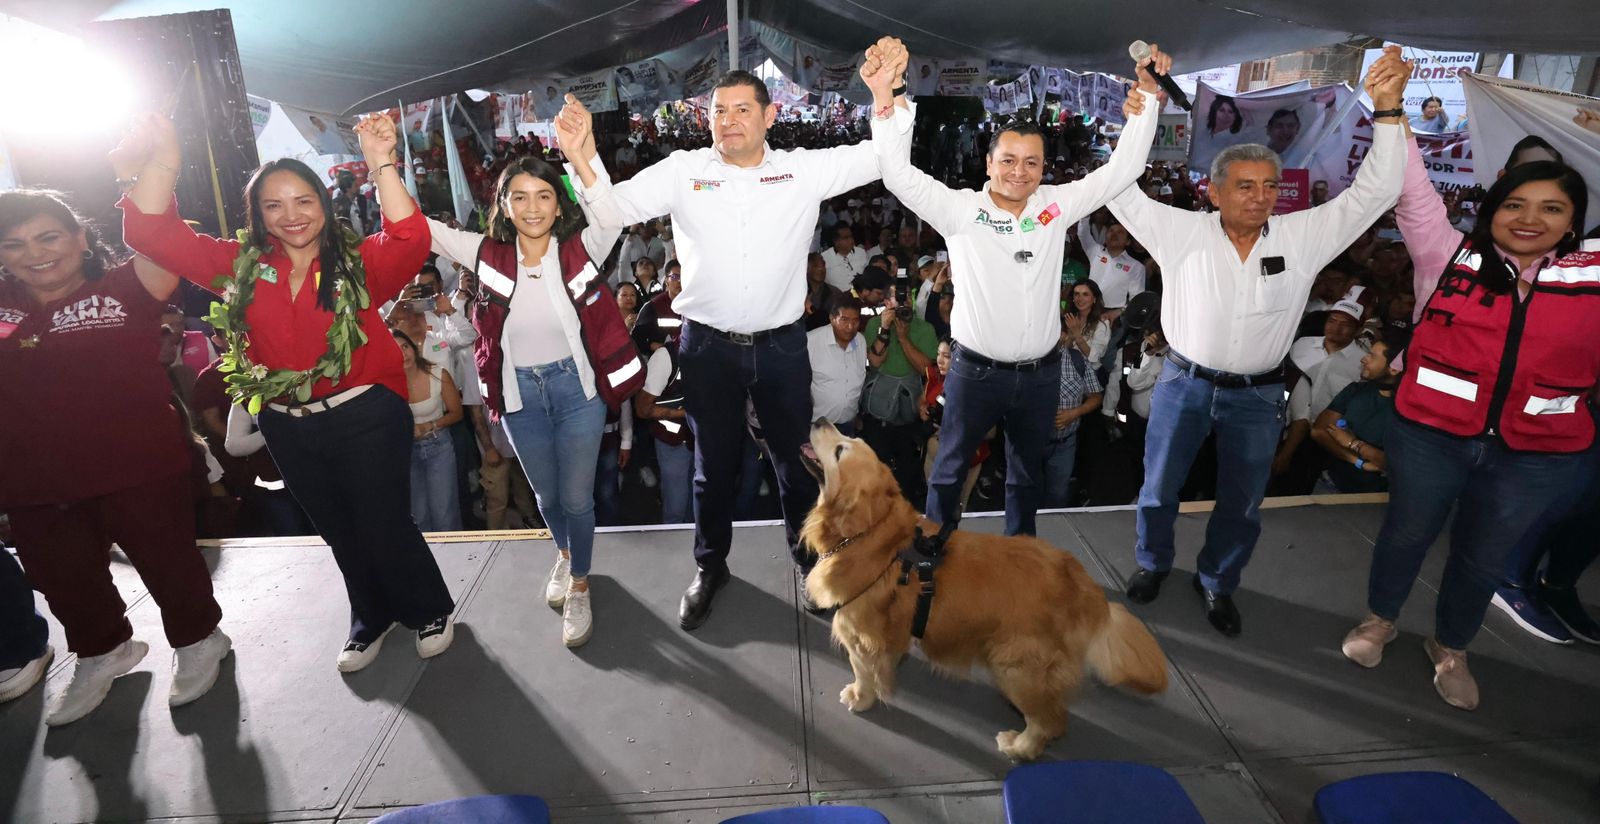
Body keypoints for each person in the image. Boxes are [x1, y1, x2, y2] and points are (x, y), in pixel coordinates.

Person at [117, 110, 455, 673]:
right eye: (273, 205)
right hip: (286, 422)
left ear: (323, 204)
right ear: (257, 214)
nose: (290, 216)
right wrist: (166, 162)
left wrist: (380, 163)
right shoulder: (238, 268)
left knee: (383, 520)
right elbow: (150, 233)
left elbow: (410, 237)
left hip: (367, 413)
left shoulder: (358, 265)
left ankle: (427, 607)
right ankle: (369, 617)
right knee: (337, 527)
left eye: (303, 201)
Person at [1109, 47, 1409, 638]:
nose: (1260, 196)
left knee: (1243, 501)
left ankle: (1218, 582)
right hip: (1182, 384)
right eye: (1244, 185)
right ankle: (1152, 563)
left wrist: (1391, 112)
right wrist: (1141, 112)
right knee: (1159, 487)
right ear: (1214, 192)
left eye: (1269, 186)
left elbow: (1373, 194)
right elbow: (1118, 193)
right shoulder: (1180, 231)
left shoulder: (1302, 237)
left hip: (1257, 398)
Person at [597, 69, 887, 631]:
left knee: (796, 464)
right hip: (707, 348)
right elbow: (611, 207)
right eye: (718, 111)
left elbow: (880, 158)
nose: (727, 121)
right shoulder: (686, 172)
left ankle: (811, 564)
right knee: (713, 467)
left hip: (781, 349)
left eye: (741, 110)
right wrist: (583, 154)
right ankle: (710, 569)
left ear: (769, 116)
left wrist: (884, 98)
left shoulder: (801, 171)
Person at [1340, 116, 1595, 710]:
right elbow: (1412, 184)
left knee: (1482, 558)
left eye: (1552, 208)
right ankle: (1381, 620)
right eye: (1516, 204)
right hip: (1430, 436)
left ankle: (1451, 647)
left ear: (1574, 221)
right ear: (1493, 208)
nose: (1530, 219)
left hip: (1534, 455)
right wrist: (1390, 112)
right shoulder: (1446, 254)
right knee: (1406, 535)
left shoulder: (1594, 277)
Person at [865, 36, 1163, 536]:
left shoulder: (1056, 205)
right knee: (950, 466)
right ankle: (936, 547)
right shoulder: (961, 210)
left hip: (1041, 375)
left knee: (1026, 473)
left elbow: (1124, 169)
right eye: (1008, 160)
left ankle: (1020, 550)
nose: (1018, 172)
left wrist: (1149, 99)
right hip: (974, 374)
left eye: (1030, 163)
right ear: (988, 163)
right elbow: (896, 174)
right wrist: (885, 100)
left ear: (1043, 168)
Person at [0, 188, 229, 724]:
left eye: (48, 236)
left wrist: (153, 173)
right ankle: (104, 652)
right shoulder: (5, 304)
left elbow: (162, 240)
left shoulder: (125, 285)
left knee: (169, 564)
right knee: (63, 578)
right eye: (13, 245)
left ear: (80, 237)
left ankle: (199, 640)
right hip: (34, 478)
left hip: (138, 465)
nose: (35, 253)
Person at [423, 94, 624, 648]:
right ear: (504, 206)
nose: (533, 206)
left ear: (559, 206)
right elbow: (420, 228)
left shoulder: (581, 249)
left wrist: (579, 153)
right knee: (547, 499)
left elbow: (610, 211)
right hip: (517, 397)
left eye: (543, 196)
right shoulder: (487, 255)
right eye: (520, 197)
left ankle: (579, 582)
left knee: (577, 499)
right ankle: (564, 553)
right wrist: (382, 163)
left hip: (577, 390)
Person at [1311, 332, 1404, 494]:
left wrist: (1354, 443)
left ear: (1394, 370)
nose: (1363, 359)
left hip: (1374, 497)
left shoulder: (1406, 411)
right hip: (1330, 483)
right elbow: (1319, 431)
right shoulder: (1356, 390)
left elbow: (1396, 464)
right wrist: (1358, 461)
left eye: (1372, 356)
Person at [395, 329, 464, 532]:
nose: (403, 353)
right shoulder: (388, 384)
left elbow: (457, 413)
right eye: (396, 349)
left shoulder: (437, 373)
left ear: (414, 348)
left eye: (405, 346)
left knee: (444, 514)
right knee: (419, 516)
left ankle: (454, 560)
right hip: (406, 451)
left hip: (438, 445)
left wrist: (431, 425)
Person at [1043, 325, 1104, 507]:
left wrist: (1074, 413)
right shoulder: (1028, 360)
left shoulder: (1077, 360)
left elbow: (1096, 396)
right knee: (1027, 491)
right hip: (1032, 442)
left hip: (1064, 444)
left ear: (1064, 335)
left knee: (1057, 493)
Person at [635, 341, 694, 523]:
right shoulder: (666, 357)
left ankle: (697, 542)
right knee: (676, 505)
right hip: (674, 441)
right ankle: (674, 545)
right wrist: (684, 413)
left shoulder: (719, 350)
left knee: (700, 502)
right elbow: (642, 409)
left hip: (707, 441)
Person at [807, 292, 867, 436]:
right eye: (844, 320)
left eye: (855, 321)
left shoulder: (860, 341)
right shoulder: (811, 342)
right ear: (832, 318)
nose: (850, 326)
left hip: (848, 425)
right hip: (818, 428)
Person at [1077, 213, 1146, 321]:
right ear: (1105, 239)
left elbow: (1137, 298)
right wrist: (1086, 211)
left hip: (1114, 316)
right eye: (1111, 231)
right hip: (1087, 308)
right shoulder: (1095, 251)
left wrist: (1119, 312)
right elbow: (1083, 233)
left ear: (1128, 242)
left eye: (1120, 232)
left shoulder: (1136, 267)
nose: (1114, 234)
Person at [1064, 280, 1113, 365]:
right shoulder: (1070, 318)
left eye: (1085, 294)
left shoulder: (1102, 323)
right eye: (1076, 294)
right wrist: (1070, 338)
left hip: (1088, 371)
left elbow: (1094, 357)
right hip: (1066, 367)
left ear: (1094, 299)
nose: (1080, 299)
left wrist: (1077, 335)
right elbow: (1063, 352)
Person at [820, 223, 867, 292]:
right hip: (836, 299)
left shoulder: (861, 253)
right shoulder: (824, 257)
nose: (851, 241)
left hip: (859, 298)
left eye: (851, 237)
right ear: (836, 241)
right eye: (846, 238)